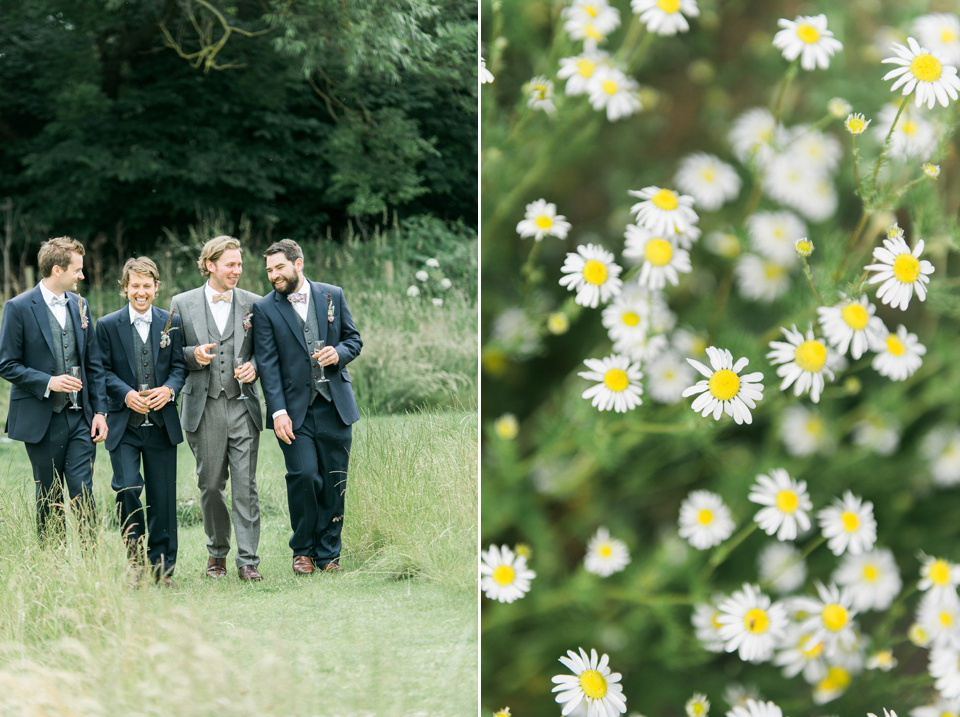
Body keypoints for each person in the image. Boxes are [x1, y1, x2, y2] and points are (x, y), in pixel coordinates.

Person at [253, 238, 362, 575]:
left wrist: (338, 354)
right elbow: (268, 364)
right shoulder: (265, 308)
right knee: (303, 475)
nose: (274, 275)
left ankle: (329, 554)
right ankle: (302, 550)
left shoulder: (333, 294)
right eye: (269, 270)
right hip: (294, 411)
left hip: (335, 405)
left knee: (334, 480)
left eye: (279, 268)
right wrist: (277, 411)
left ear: (298, 263)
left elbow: (353, 340)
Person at [0, 237, 108, 541]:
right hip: (41, 417)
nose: (82, 276)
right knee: (49, 494)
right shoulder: (18, 307)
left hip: (80, 417)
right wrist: (49, 382)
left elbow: (93, 364)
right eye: (78, 270)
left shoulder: (81, 305)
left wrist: (100, 411)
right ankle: (54, 565)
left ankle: (90, 563)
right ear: (57, 269)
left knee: (82, 489)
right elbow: (6, 364)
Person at [169, 235, 264, 581]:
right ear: (210, 265)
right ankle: (217, 554)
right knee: (210, 484)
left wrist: (255, 366)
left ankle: (248, 560)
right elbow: (170, 353)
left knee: (245, 484)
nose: (237, 271)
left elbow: (265, 351)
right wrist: (191, 355)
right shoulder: (181, 303)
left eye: (240, 264)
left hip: (243, 405)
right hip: (203, 406)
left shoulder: (255, 304)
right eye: (231, 264)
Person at [96, 258, 186, 585]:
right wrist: (123, 394)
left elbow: (179, 367)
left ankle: (163, 570)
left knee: (163, 498)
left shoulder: (171, 323)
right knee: (128, 488)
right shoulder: (106, 325)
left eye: (147, 286)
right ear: (125, 289)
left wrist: (170, 389)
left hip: (162, 425)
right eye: (135, 285)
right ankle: (135, 563)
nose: (141, 291)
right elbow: (101, 370)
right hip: (124, 426)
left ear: (157, 287)